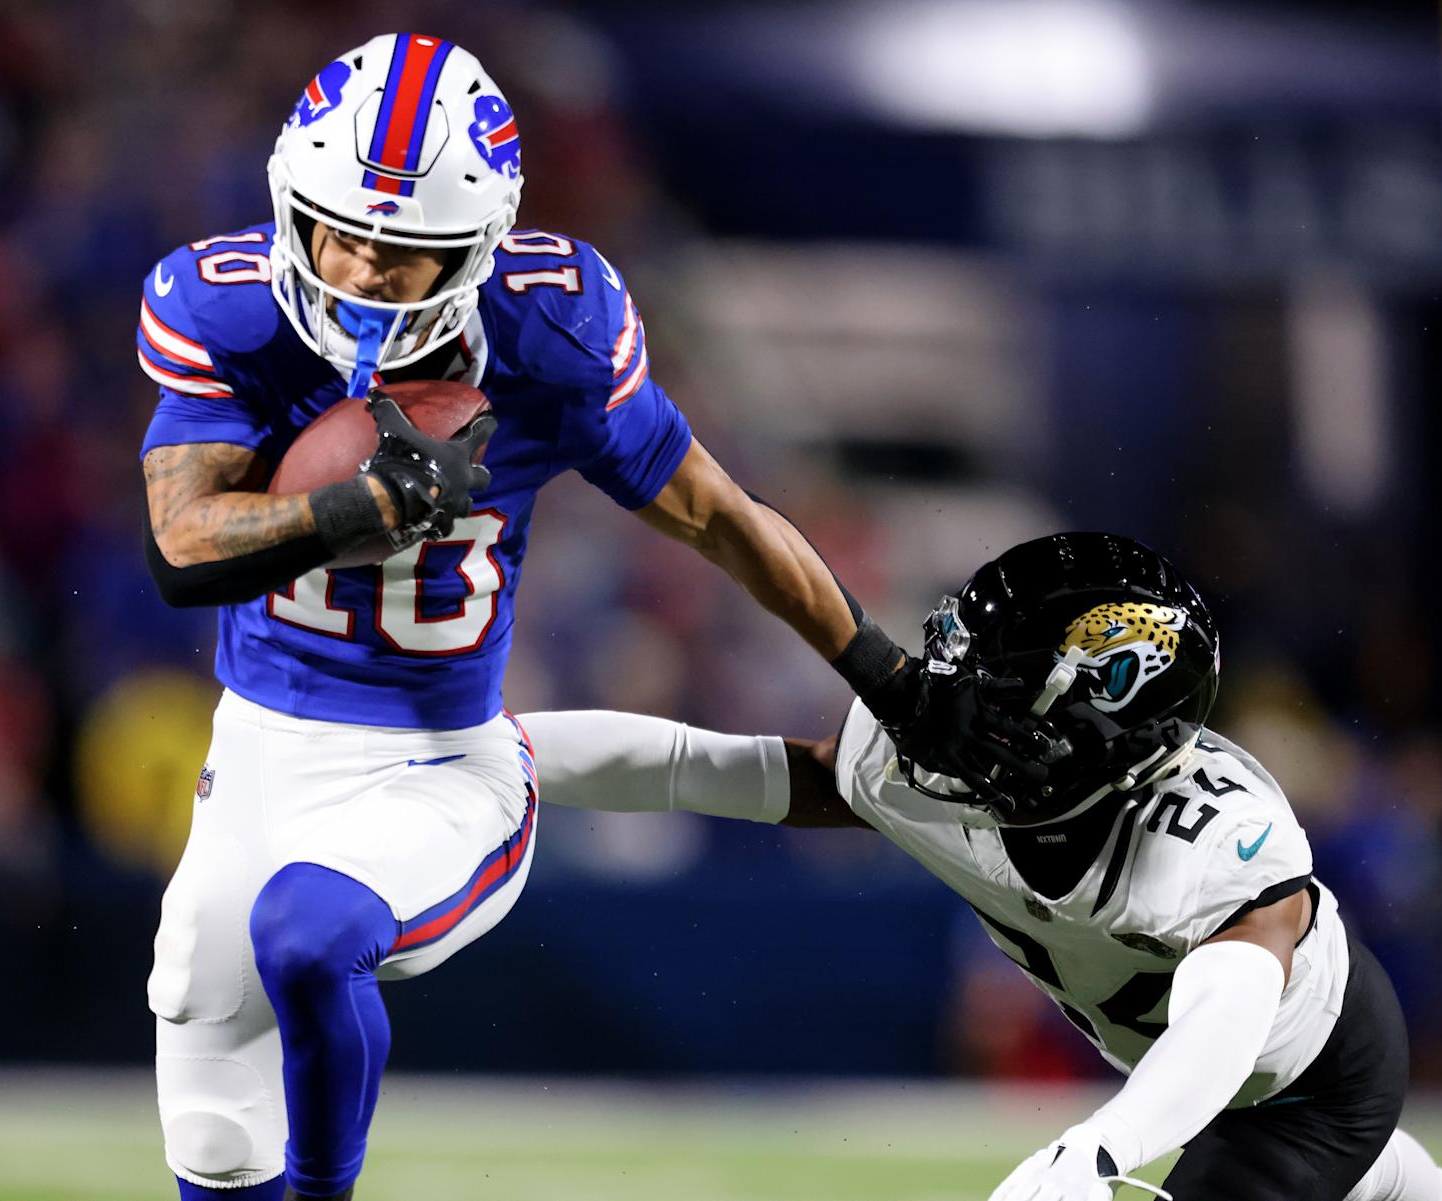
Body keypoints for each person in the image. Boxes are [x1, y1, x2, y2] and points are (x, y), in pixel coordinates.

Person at [137, 33, 940, 1201]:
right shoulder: (230, 311)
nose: (354, 268)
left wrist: (882, 668)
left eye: (399, 251)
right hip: (256, 754)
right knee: (211, 1128)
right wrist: (350, 508)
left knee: (308, 933)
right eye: (335, 230)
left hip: (437, 765)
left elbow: (716, 512)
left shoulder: (547, 337)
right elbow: (180, 546)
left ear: (470, 250)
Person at [521, 532, 1442, 1201]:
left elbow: (1224, 1026)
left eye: (998, 685)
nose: (952, 696)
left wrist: (1102, 1148)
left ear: (1101, 726)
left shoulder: (1210, 835)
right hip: (1162, 1060)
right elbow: (707, 767)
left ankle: (1371, 1164)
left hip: (1302, 1084)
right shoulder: (933, 773)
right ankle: (1386, 1178)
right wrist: (494, 753)